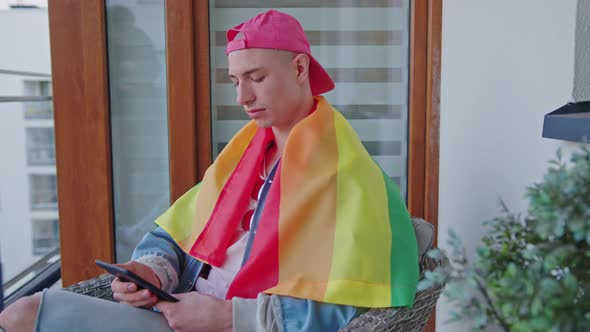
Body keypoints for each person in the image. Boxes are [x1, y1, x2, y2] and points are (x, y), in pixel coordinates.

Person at [0, 10, 419, 332]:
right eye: (236, 81)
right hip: (178, 312)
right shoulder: (245, 155)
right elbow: (180, 234)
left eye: (256, 77)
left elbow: (350, 306)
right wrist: (151, 271)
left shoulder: (350, 176)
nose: (243, 96)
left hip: (227, 323)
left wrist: (227, 317)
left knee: (24, 316)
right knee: (22, 313)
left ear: (299, 69)